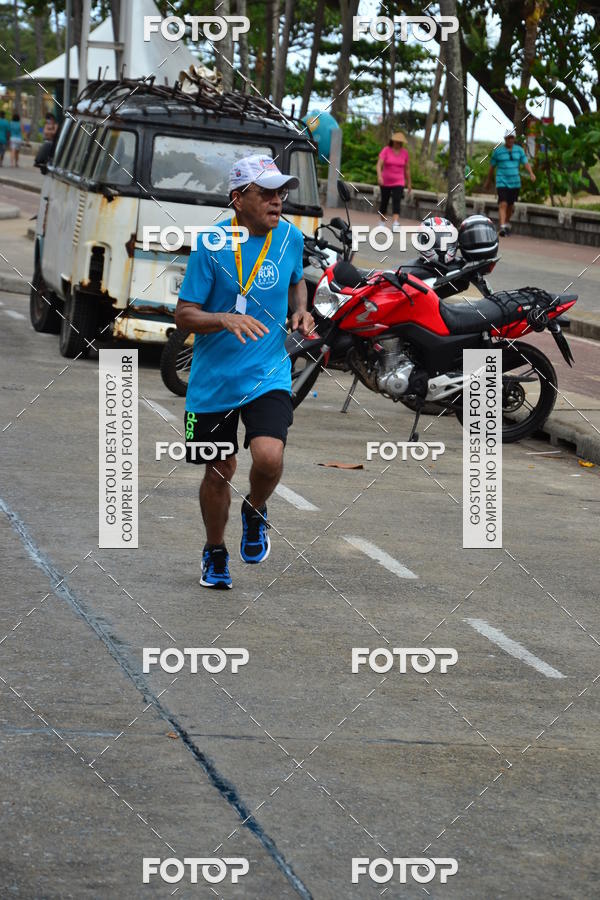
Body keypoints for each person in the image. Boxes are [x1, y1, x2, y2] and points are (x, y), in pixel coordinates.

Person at [174, 155, 313, 590]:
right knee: (219, 469)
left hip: (268, 370)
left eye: (281, 193)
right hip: (213, 382)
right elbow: (183, 315)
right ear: (238, 199)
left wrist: (301, 311)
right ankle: (215, 551)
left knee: (269, 457)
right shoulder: (210, 246)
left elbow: (296, 280)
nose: (277, 201)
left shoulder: (290, 236)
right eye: (266, 193)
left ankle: (255, 510)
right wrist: (223, 320)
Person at [484, 132, 535, 236]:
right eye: (508, 138)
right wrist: (488, 180)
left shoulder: (519, 150)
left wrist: (531, 173)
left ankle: (506, 223)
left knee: (511, 205)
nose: (510, 140)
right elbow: (492, 167)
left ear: (514, 139)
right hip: (501, 181)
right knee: (503, 203)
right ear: (505, 139)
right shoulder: (498, 152)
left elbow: (525, 162)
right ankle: (502, 226)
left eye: (512, 138)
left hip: (515, 182)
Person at [376, 131, 412, 231]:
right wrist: (379, 176)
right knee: (384, 201)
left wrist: (409, 183)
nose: (398, 144)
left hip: (399, 181)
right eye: (397, 142)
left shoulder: (405, 153)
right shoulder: (386, 150)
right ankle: (382, 222)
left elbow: (407, 169)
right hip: (385, 181)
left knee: (397, 200)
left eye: (400, 142)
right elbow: (379, 165)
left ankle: (395, 223)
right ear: (393, 141)